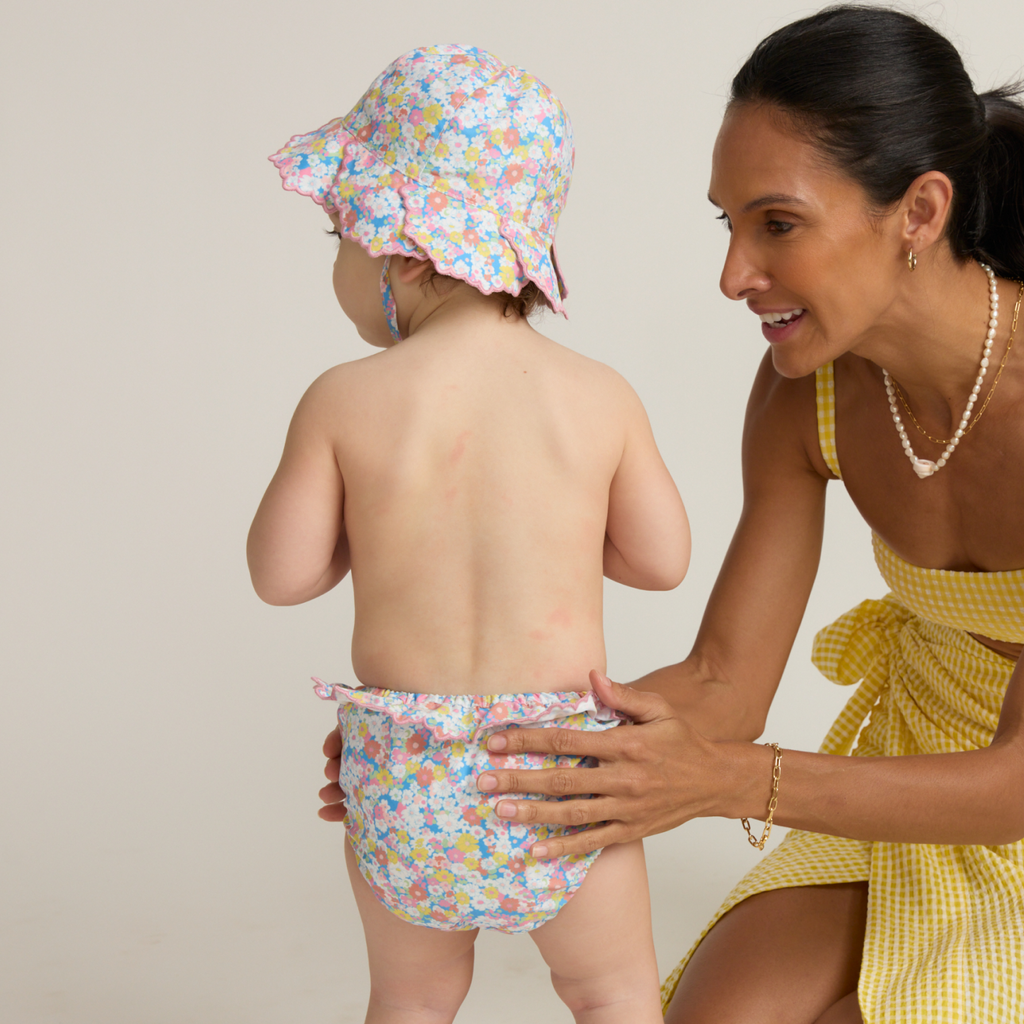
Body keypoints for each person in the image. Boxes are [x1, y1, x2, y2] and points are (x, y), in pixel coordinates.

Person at [312, 10, 1024, 1022]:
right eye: (726, 225)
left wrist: (723, 783)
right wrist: (456, 744)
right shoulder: (806, 390)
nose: (733, 275)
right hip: (906, 773)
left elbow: (1011, 787)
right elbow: (724, 686)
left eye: (775, 224)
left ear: (918, 211)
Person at [248, 45, 690, 1024]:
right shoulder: (597, 396)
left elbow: (282, 576)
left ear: (399, 246)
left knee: (410, 996)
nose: (337, 260)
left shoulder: (343, 400)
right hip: (561, 771)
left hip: (407, 774)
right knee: (613, 991)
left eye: (338, 235)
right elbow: (661, 562)